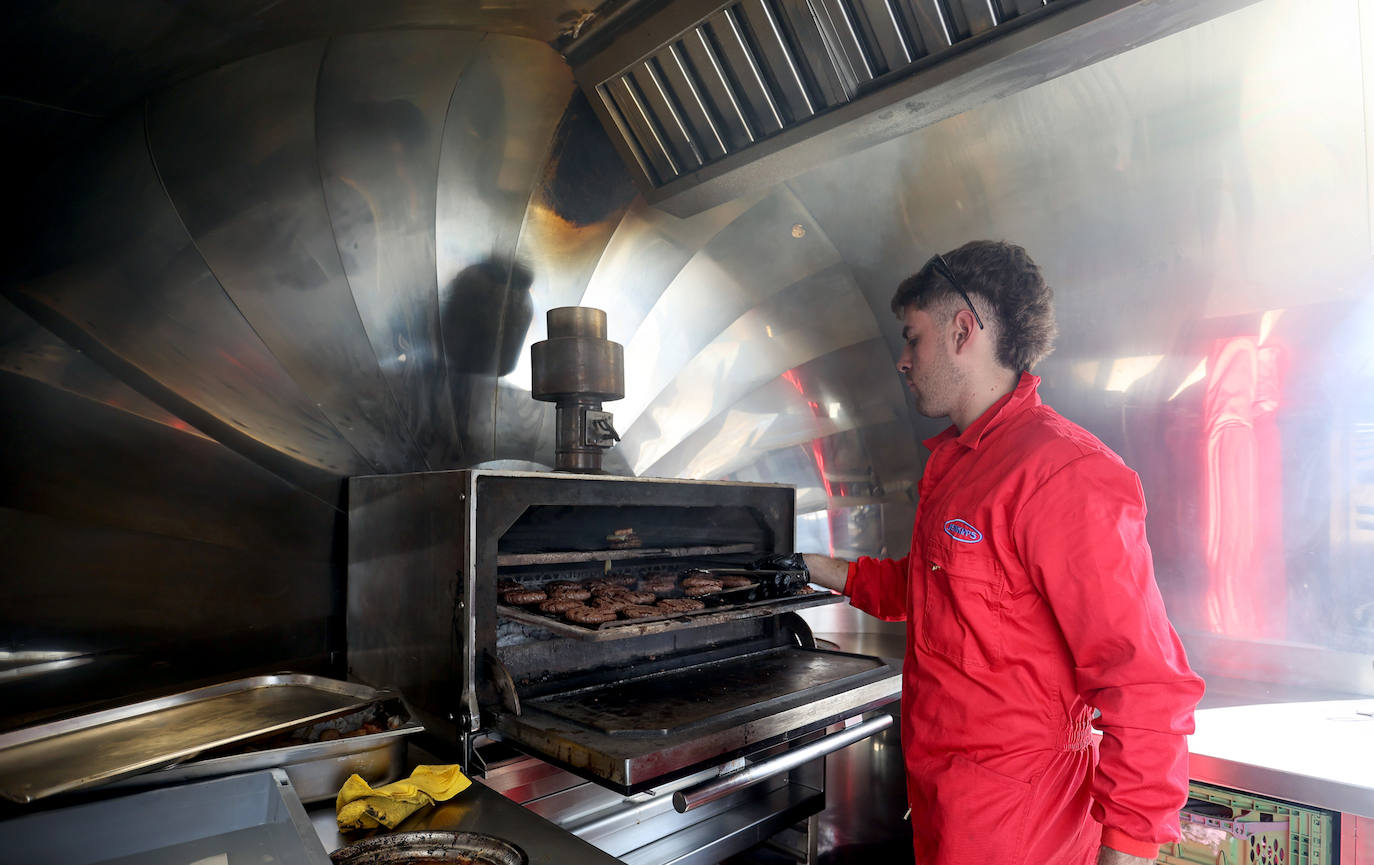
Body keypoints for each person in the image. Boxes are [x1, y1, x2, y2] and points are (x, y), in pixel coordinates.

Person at [774, 241, 1204, 864]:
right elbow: (932, 590)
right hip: (947, 807)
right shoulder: (957, 464)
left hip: (1023, 829)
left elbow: (1145, 684)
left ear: (962, 330)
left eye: (912, 339)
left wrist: (1128, 850)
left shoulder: (1063, 473)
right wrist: (815, 568)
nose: (902, 360)